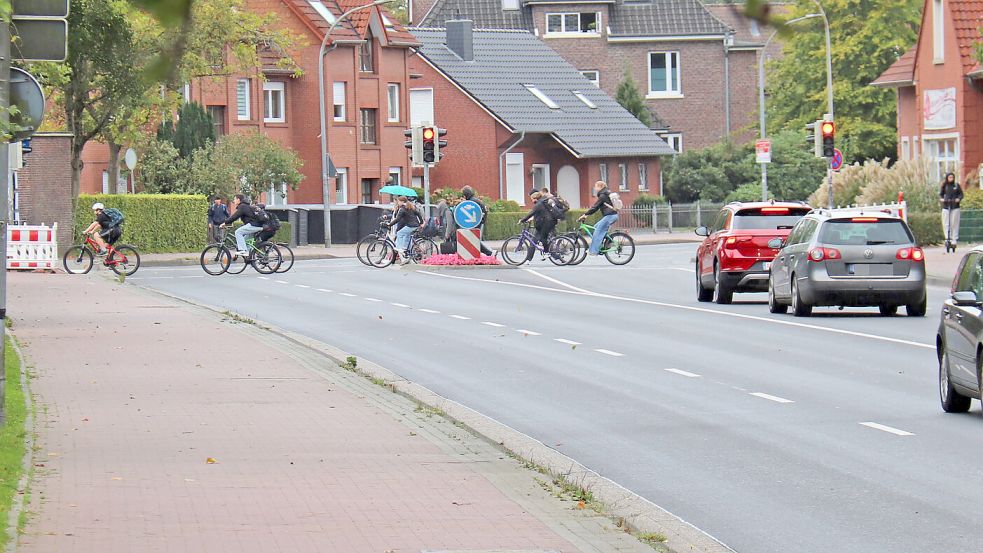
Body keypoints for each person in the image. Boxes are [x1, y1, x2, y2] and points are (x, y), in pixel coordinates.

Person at [579, 180, 619, 256]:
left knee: (597, 232)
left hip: (610, 216)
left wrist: (585, 214)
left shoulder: (603, 195)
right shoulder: (605, 193)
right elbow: (597, 207)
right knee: (595, 227)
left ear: (600, 187)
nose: (595, 188)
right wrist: (587, 215)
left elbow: (595, 206)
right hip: (612, 215)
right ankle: (607, 242)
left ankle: (593, 251)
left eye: (596, 186)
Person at [520, 189, 556, 260]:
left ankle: (529, 259)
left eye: (532, 198)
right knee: (539, 241)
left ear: (535, 197)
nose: (531, 200)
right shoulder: (543, 202)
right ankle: (555, 256)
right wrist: (532, 219)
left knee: (534, 241)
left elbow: (532, 213)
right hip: (547, 223)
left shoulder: (539, 204)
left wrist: (523, 220)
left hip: (544, 224)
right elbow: (540, 213)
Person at [388, 196, 423, 264]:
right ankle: (404, 249)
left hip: (411, 226)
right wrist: (421, 222)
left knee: (399, 233)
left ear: (402, 202)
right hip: (415, 225)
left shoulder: (402, 209)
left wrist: (390, 224)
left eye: (398, 201)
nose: (398, 203)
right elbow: (418, 213)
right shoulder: (410, 207)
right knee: (407, 236)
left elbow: (397, 219)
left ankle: (400, 248)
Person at [461, 185, 493, 256]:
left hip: (476, 223)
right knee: (474, 239)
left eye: (463, 195)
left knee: (474, 240)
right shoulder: (474, 200)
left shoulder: (472, 201)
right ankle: (485, 252)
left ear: (466, 195)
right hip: (478, 222)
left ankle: (488, 252)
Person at [940, 172, 963, 249]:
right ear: (947, 178)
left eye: (952, 177)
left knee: (954, 223)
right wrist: (942, 199)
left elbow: (961, 194)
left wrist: (958, 199)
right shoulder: (944, 186)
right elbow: (941, 194)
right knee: (946, 223)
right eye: (949, 177)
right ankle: (947, 238)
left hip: (955, 206)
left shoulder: (956, 185)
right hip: (946, 206)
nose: (951, 179)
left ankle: (954, 239)